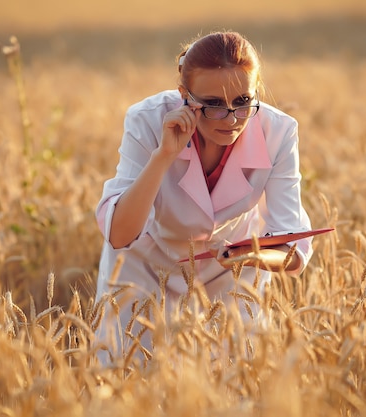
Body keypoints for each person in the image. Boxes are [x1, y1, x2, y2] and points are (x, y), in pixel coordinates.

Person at [94, 31, 313, 361]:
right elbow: (120, 233)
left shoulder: (278, 131)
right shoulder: (147, 119)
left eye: (242, 101)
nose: (231, 118)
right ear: (184, 95)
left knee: (240, 383)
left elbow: (292, 251)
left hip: (233, 270)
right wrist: (164, 155)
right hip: (144, 267)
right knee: (127, 379)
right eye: (212, 104)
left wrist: (246, 257)